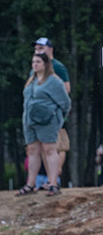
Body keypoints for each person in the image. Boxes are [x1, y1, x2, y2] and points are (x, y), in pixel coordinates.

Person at [16, 52, 70, 197]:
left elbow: (65, 103)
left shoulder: (54, 81)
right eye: (33, 62)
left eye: (38, 62)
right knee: (32, 150)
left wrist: (58, 119)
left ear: (46, 64)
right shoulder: (31, 80)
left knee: (49, 150)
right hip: (30, 120)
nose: (35, 65)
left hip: (48, 121)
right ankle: (30, 184)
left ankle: (53, 184)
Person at [33, 38, 72, 181]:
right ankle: (49, 177)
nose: (38, 50)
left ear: (50, 49)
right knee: (44, 145)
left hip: (55, 111)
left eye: (41, 48)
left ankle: (55, 176)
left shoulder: (58, 66)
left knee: (59, 143)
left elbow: (67, 89)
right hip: (40, 113)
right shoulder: (36, 67)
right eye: (36, 48)